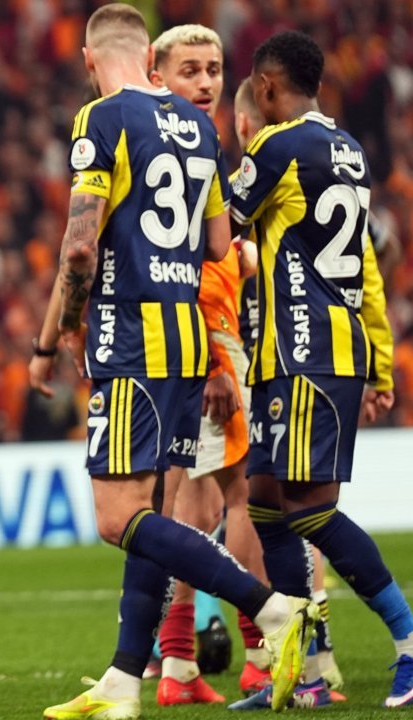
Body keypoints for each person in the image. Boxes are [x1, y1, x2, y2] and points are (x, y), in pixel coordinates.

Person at [28, 6, 316, 719]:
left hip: (133, 338)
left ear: (91, 59)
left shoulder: (101, 118)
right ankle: (125, 681)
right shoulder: (200, 126)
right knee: (155, 512)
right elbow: (219, 244)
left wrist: (64, 329)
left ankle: (272, 609)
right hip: (190, 337)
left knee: (116, 518)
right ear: (146, 55)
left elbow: (78, 247)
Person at [232, 29, 413, 709]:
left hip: (306, 352)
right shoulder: (349, 149)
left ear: (266, 86)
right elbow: (366, 266)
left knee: (309, 510)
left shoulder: (275, 146)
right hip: (316, 350)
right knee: (265, 500)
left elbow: (219, 223)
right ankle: (301, 674)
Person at [144, 24, 267, 707]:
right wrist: (219, 360)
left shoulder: (144, 140)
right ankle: (260, 658)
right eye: (189, 69)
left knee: (187, 508)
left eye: (214, 69)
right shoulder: (196, 149)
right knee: (244, 498)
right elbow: (193, 272)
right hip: (208, 345)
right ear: (156, 75)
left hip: (160, 349)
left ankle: (178, 665)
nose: (206, 82)